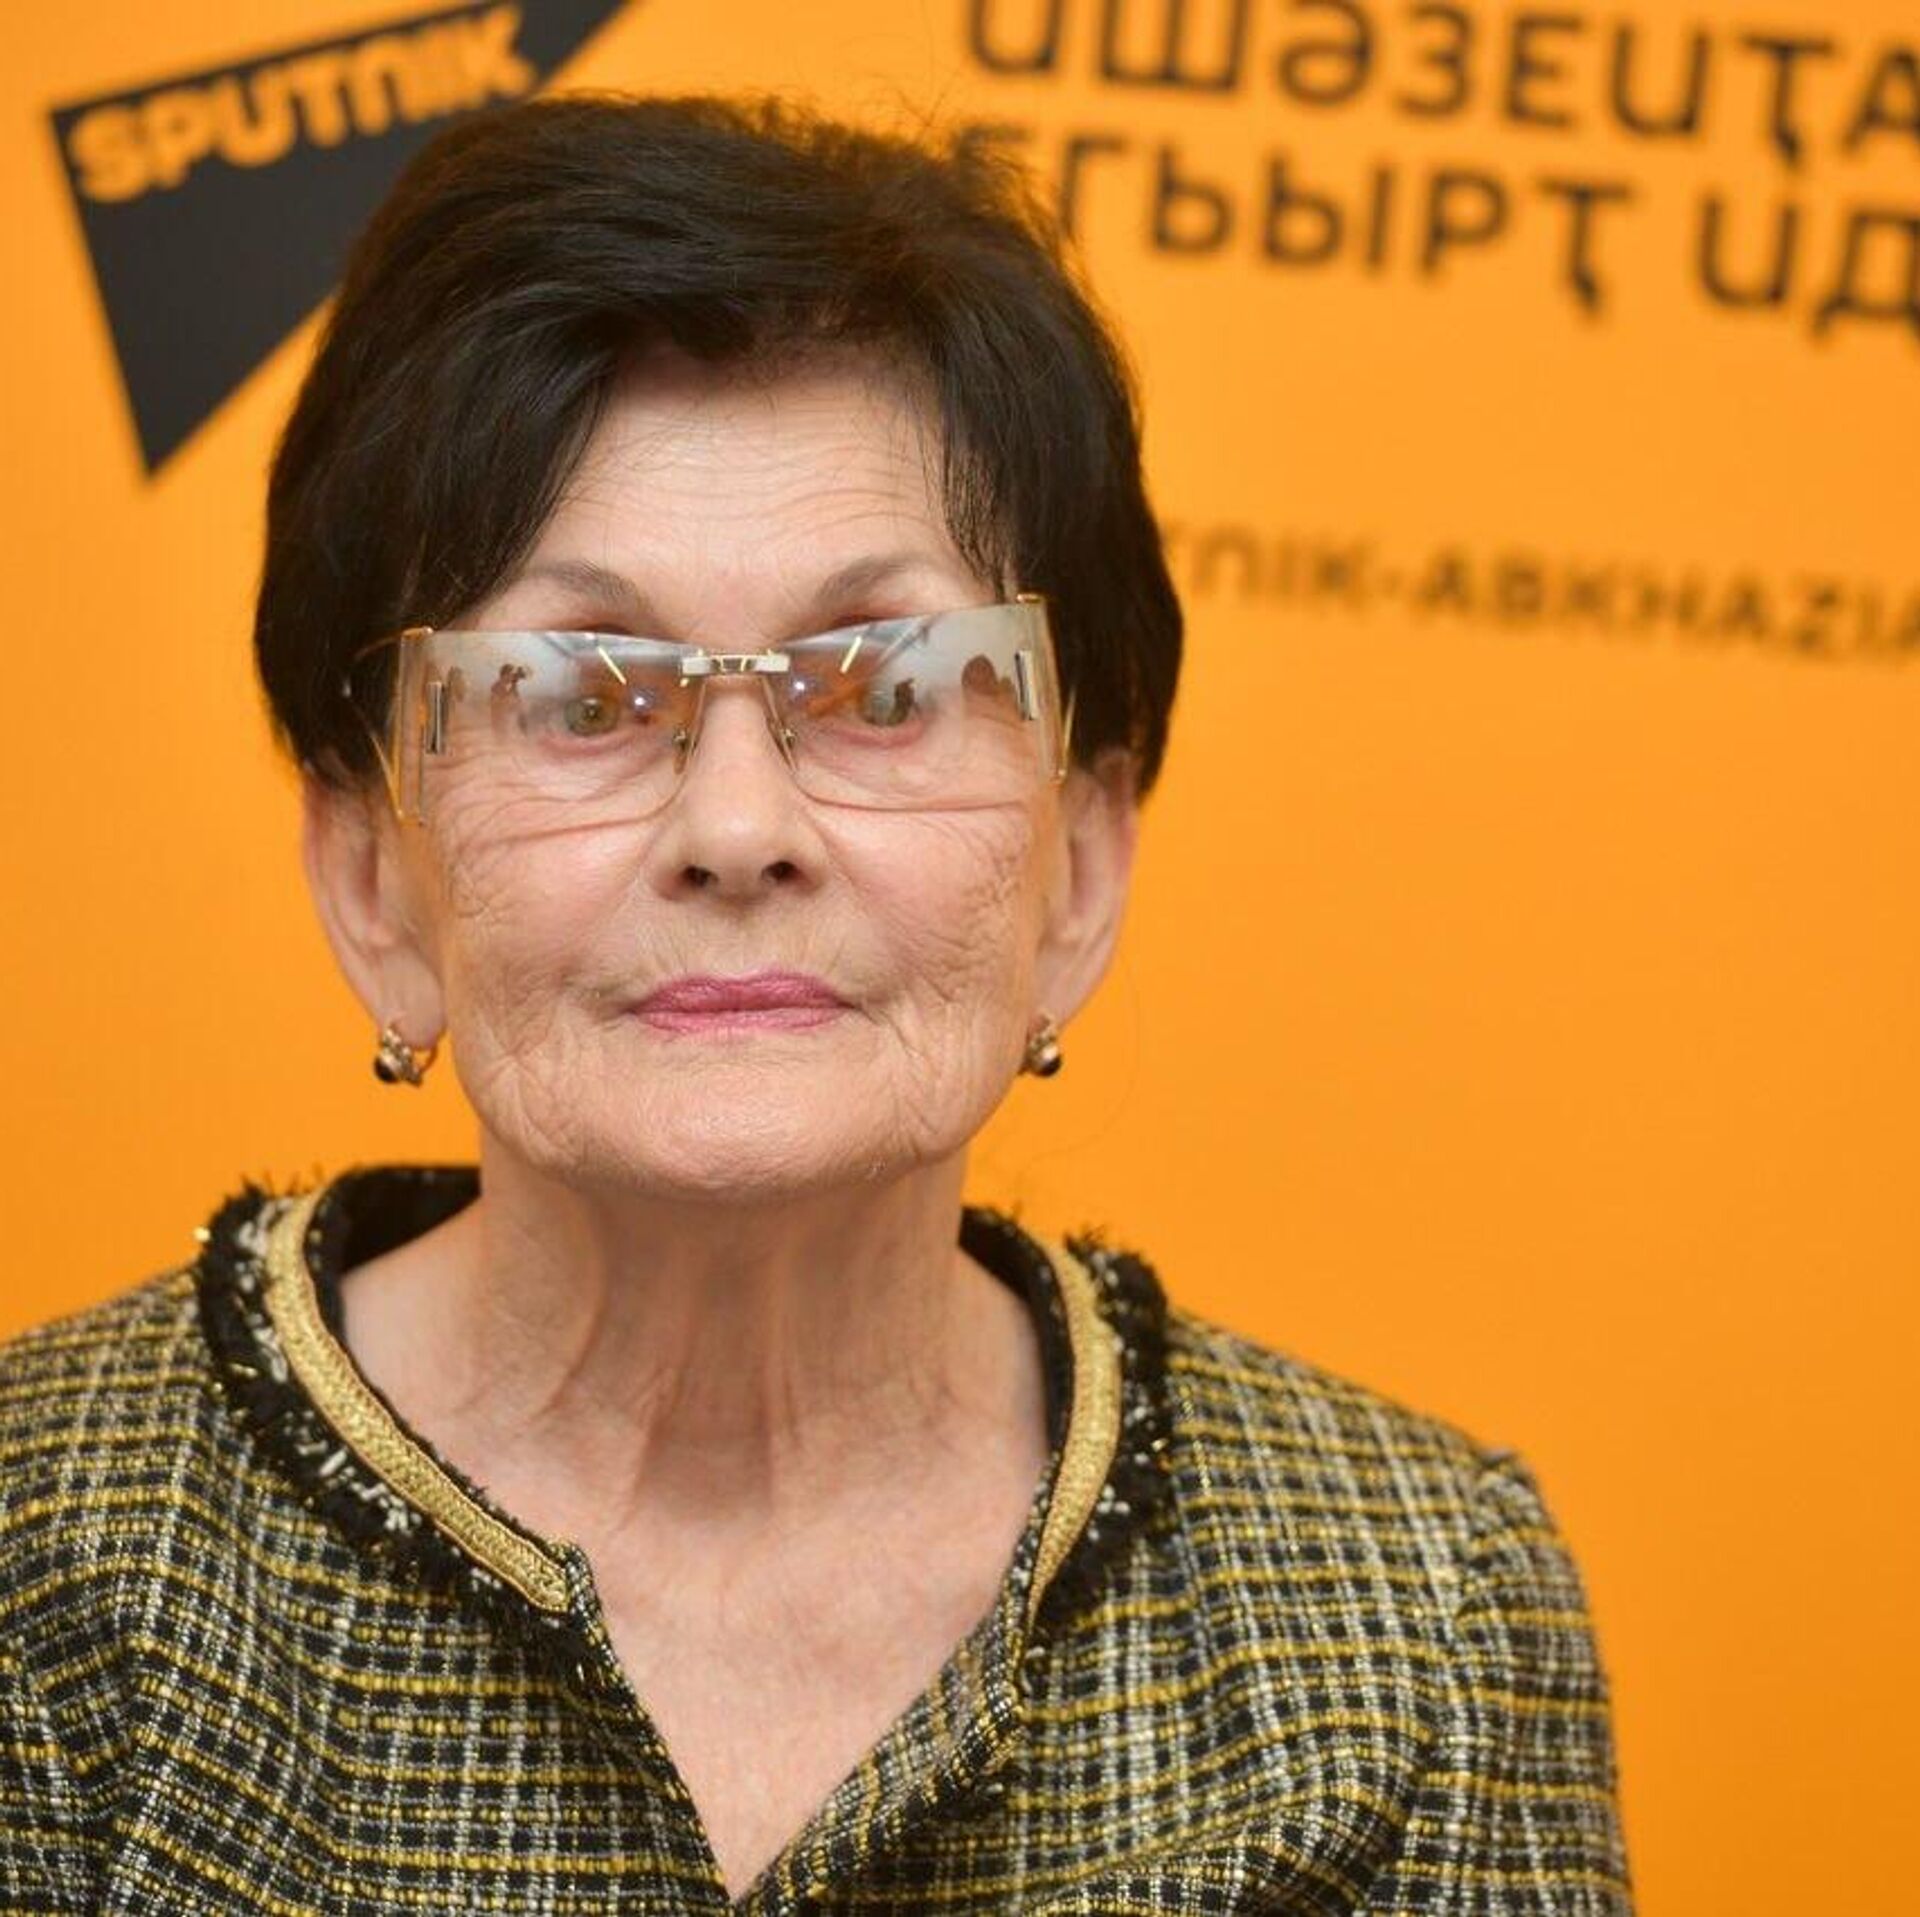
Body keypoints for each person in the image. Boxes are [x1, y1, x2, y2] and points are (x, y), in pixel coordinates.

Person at [0, 94, 1632, 1913]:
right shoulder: (44, 1557)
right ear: (374, 870)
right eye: (582, 696)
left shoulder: (1415, 1622)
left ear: (1080, 865)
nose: (737, 829)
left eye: (888, 688)